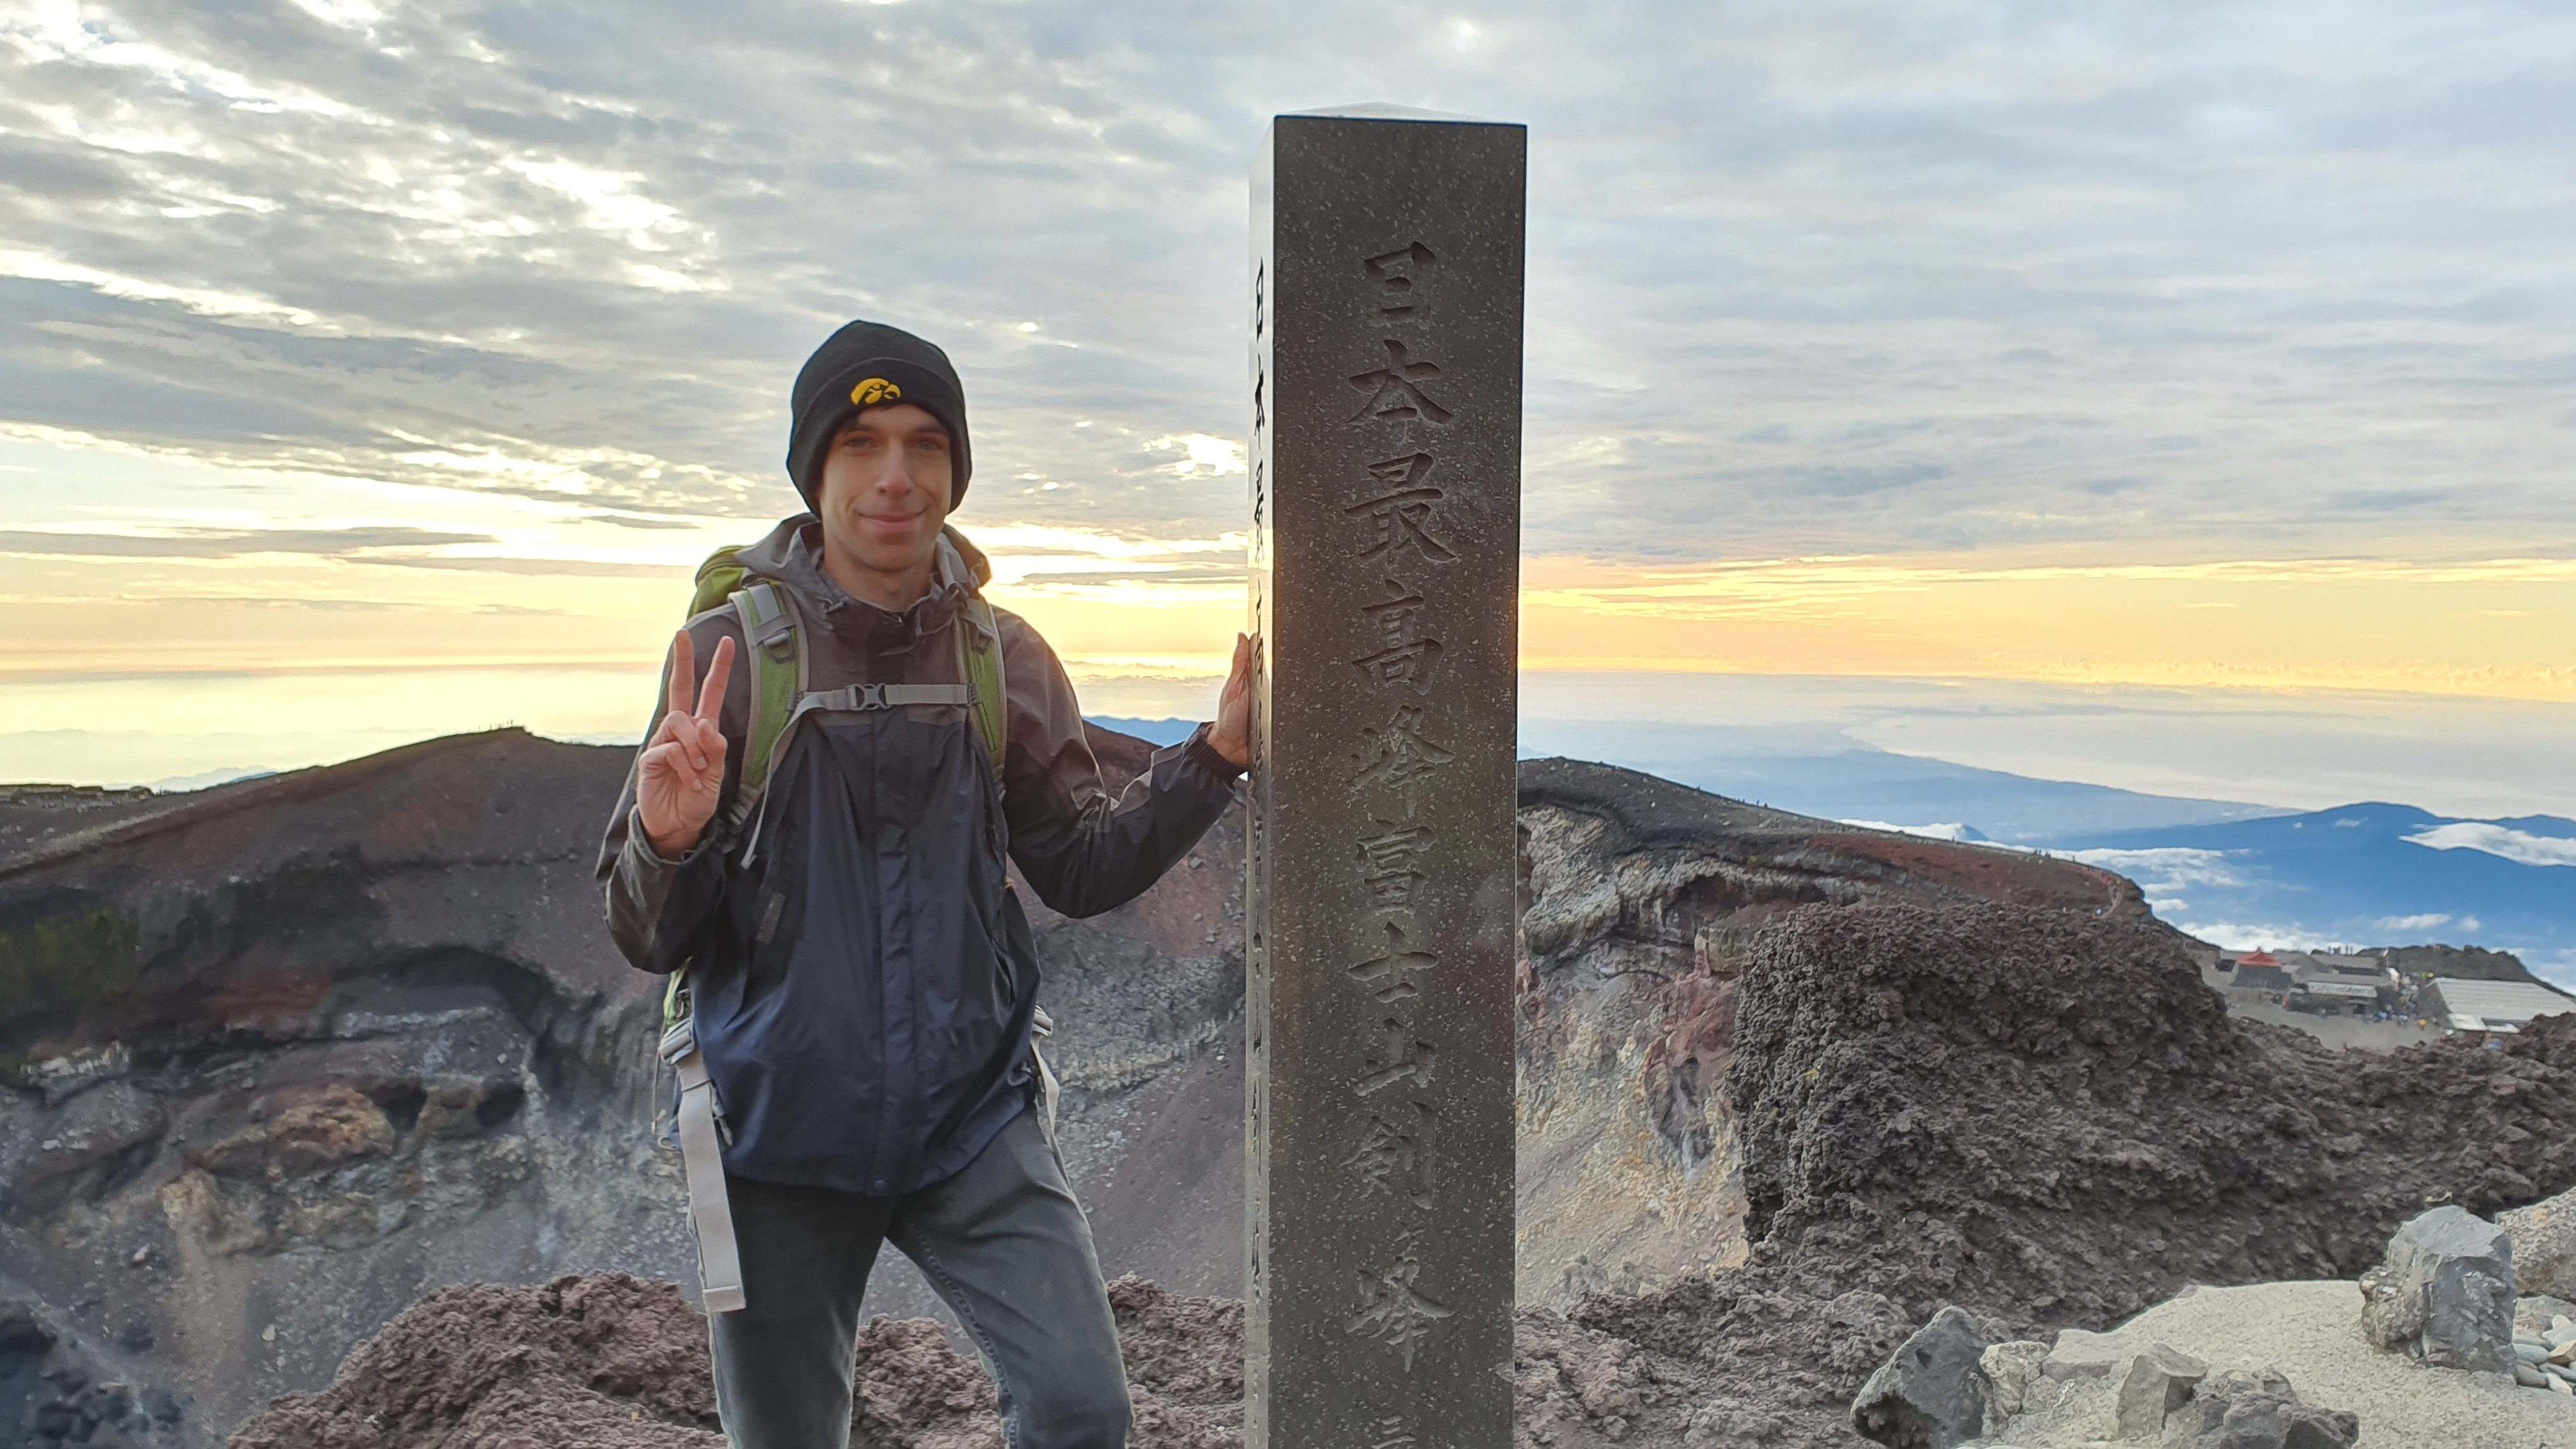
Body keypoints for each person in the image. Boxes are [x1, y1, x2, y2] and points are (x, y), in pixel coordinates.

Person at [597, 319, 1252, 1449]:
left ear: (954, 468)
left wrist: (1214, 762)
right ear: (815, 469)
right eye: (859, 444)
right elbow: (647, 936)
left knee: (1082, 1412)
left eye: (924, 443)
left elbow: (1079, 867)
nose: (895, 476)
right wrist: (670, 836)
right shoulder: (730, 657)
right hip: (774, 1134)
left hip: (971, 1117)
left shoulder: (1002, 655)